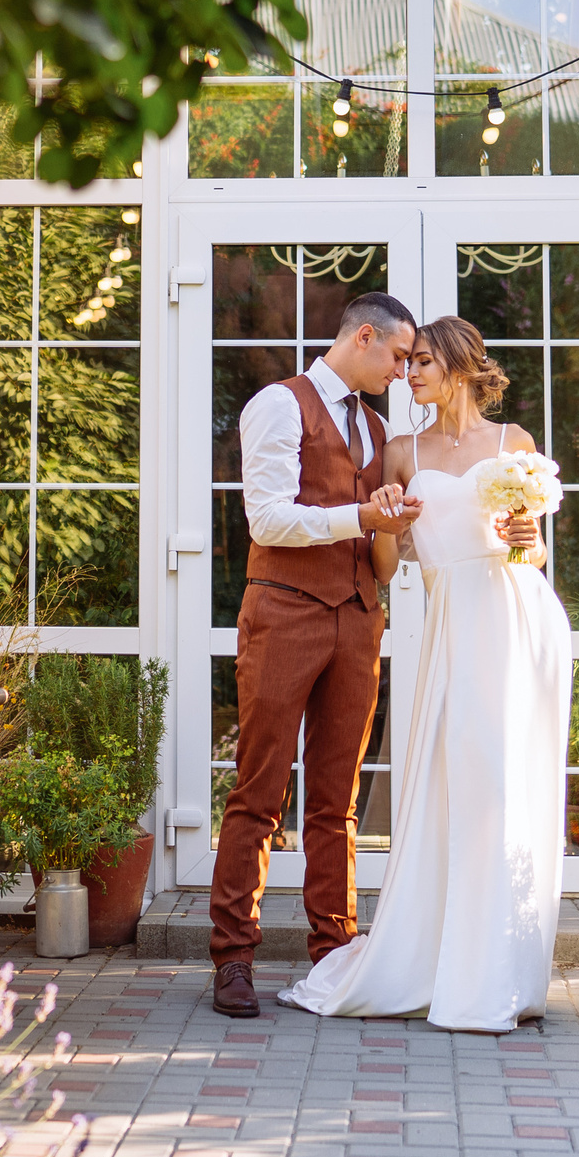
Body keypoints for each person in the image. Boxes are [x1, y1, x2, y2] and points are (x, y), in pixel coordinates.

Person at [278, 314, 571, 1033]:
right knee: (459, 786)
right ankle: (447, 962)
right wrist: (383, 520)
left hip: (516, 623)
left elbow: (529, 557)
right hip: (451, 630)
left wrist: (529, 539)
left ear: (463, 368)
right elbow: (387, 566)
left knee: (507, 788)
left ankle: (503, 971)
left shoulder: (515, 446)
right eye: (407, 365)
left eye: (425, 364)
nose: (411, 376)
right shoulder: (401, 450)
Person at [208, 292, 424, 1019]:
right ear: (364, 336)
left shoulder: (378, 425)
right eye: (397, 355)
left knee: (338, 802)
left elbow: (382, 555)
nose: (402, 370)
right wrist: (360, 515)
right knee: (259, 790)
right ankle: (233, 954)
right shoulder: (279, 404)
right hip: (284, 613)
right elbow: (266, 516)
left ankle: (334, 952)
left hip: (359, 618)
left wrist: (390, 527)